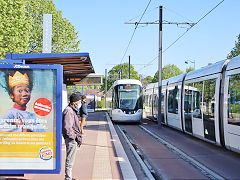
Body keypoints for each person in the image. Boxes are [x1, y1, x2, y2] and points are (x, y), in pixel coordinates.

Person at [62, 93, 82, 180]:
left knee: (71, 159)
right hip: (71, 139)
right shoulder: (69, 111)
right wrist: (74, 137)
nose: (80, 103)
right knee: (70, 159)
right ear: (74, 103)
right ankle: (68, 178)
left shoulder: (71, 110)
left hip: (72, 138)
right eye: (79, 102)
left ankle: (69, 177)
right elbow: (67, 127)